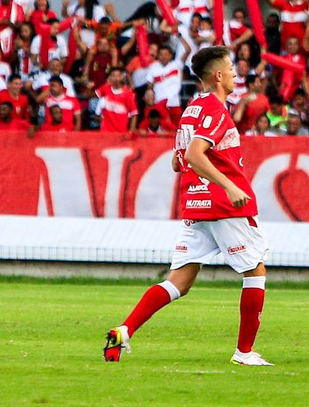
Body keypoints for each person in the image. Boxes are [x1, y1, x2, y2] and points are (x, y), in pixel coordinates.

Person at [103, 46, 271, 366]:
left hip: (195, 204)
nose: (236, 73)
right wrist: (230, 185)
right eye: (232, 68)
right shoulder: (217, 111)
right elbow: (193, 155)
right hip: (223, 205)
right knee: (255, 269)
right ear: (218, 75)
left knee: (180, 279)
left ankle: (124, 330)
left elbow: (177, 162)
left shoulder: (192, 109)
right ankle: (244, 353)